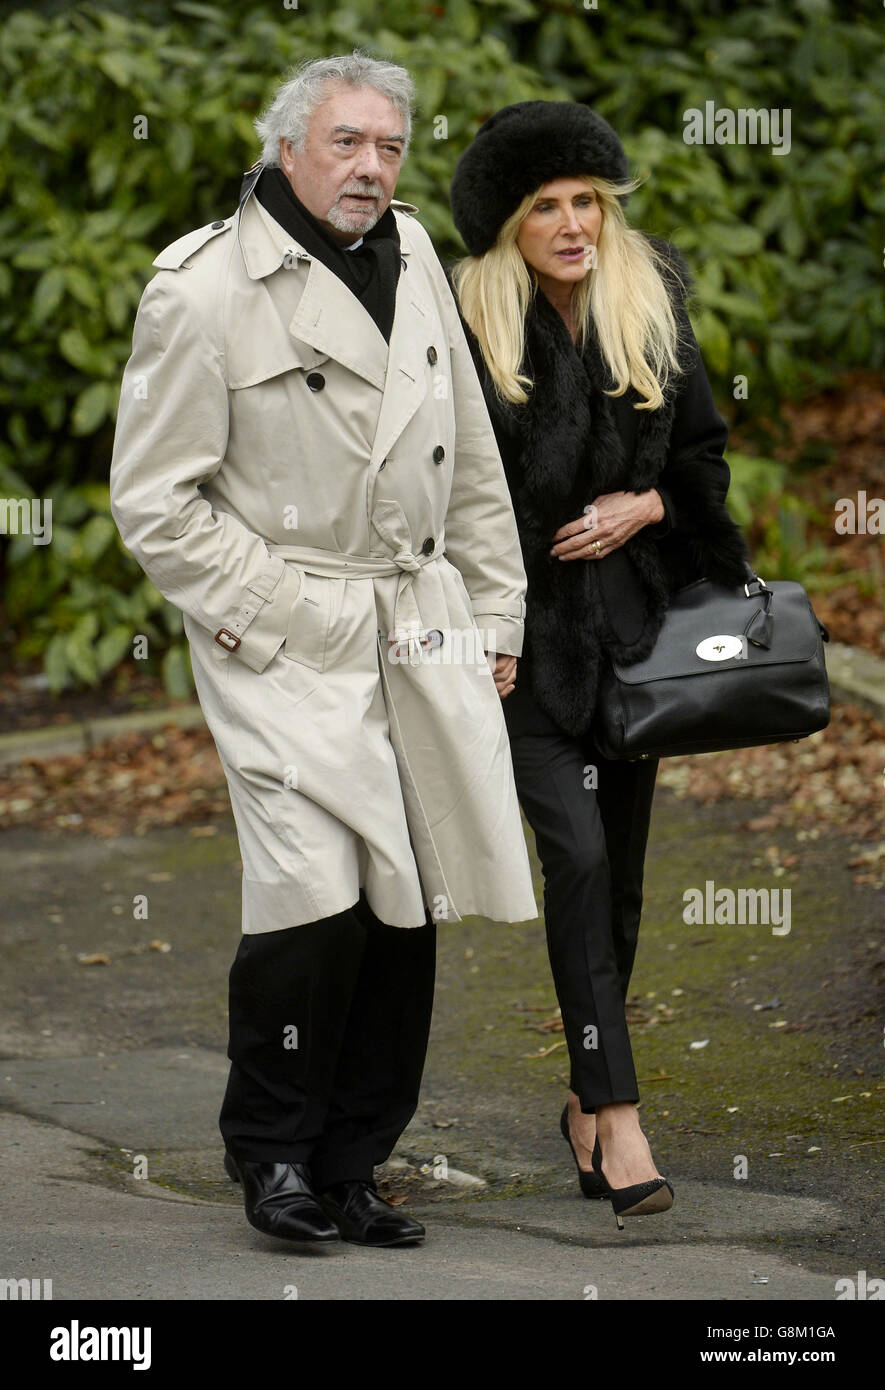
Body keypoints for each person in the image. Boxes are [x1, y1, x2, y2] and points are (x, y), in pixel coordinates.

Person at [109, 54, 538, 1249]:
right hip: (283, 634)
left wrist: (495, 618)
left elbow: (471, 459)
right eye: (347, 142)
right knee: (312, 898)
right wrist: (285, 612)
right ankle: (275, 1160)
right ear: (287, 145)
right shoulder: (200, 288)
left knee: (409, 896)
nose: (370, 167)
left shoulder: (413, 259)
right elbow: (156, 502)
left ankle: (354, 1163)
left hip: (423, 619)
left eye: (390, 147)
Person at [449, 100, 751, 1229]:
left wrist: (648, 504)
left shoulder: (649, 291)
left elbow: (704, 460)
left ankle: (583, 1099)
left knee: (616, 878)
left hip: (633, 645)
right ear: (510, 224)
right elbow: (436, 493)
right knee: (571, 855)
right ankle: (620, 1117)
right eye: (546, 206)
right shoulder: (466, 319)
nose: (574, 224)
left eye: (588, 200)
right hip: (515, 646)